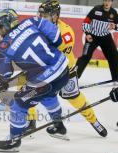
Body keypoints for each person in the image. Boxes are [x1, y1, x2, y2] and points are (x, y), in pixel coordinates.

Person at [0, 8, 69, 152]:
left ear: (6, 24)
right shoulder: (32, 21)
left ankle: (13, 141)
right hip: (63, 68)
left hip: (44, 80)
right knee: (48, 95)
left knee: (18, 104)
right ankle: (59, 126)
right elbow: (57, 38)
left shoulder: (3, 45)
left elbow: (4, 74)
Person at [32, 0, 107, 137]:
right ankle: (30, 122)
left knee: (75, 98)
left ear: (55, 16)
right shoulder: (37, 28)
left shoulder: (66, 32)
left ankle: (93, 120)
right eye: (40, 14)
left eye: (45, 15)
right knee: (28, 92)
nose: (41, 18)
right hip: (47, 70)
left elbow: (52, 56)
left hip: (65, 71)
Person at [76, 0, 118, 81]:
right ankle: (74, 77)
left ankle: (116, 78)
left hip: (105, 37)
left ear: (111, 2)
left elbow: (117, 26)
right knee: (85, 56)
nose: (107, 3)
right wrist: (87, 33)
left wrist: (115, 27)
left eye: (109, 1)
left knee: (114, 57)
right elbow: (86, 22)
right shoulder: (96, 9)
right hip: (92, 37)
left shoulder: (114, 13)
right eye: (105, 0)